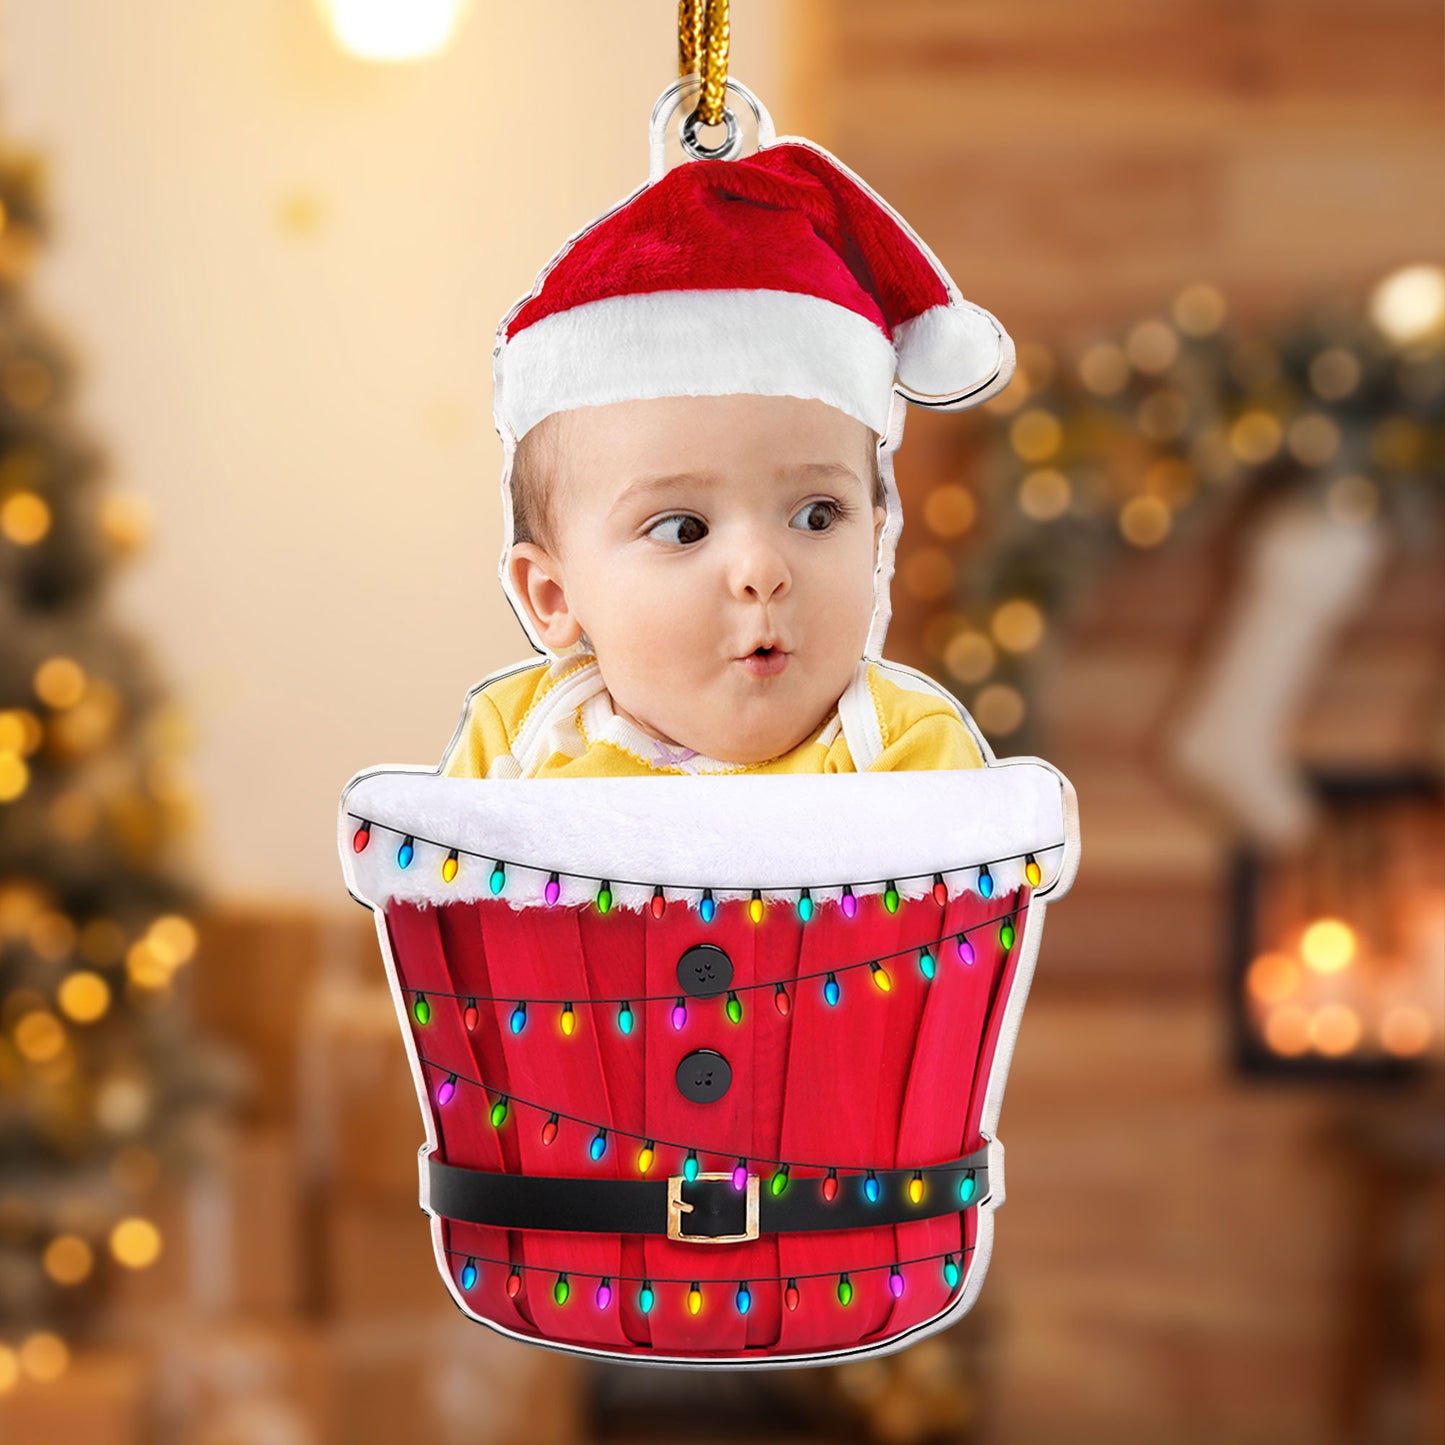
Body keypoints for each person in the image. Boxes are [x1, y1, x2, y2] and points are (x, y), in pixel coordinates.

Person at [438, 141, 1016, 779]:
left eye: (818, 516)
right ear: (552, 594)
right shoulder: (521, 743)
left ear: (876, 550)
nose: (762, 571)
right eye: (683, 528)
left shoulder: (901, 749)